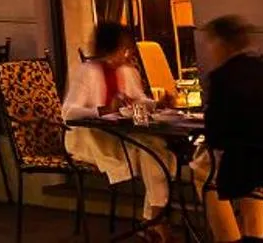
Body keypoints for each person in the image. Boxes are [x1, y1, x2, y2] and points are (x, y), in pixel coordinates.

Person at [64, 20, 180, 239]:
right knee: (153, 153)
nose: (128, 55)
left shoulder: (127, 72)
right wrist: (103, 109)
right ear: (108, 49)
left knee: (159, 151)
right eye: (124, 49)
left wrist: (158, 105)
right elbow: (68, 112)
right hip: (94, 139)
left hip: (124, 137)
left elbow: (138, 101)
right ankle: (155, 221)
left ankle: (153, 220)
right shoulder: (86, 72)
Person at [200, 16, 263, 243]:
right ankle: (255, 235)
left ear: (222, 44)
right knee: (254, 175)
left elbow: (215, 135)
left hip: (243, 167)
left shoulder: (222, 77)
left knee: (203, 171)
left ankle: (229, 237)